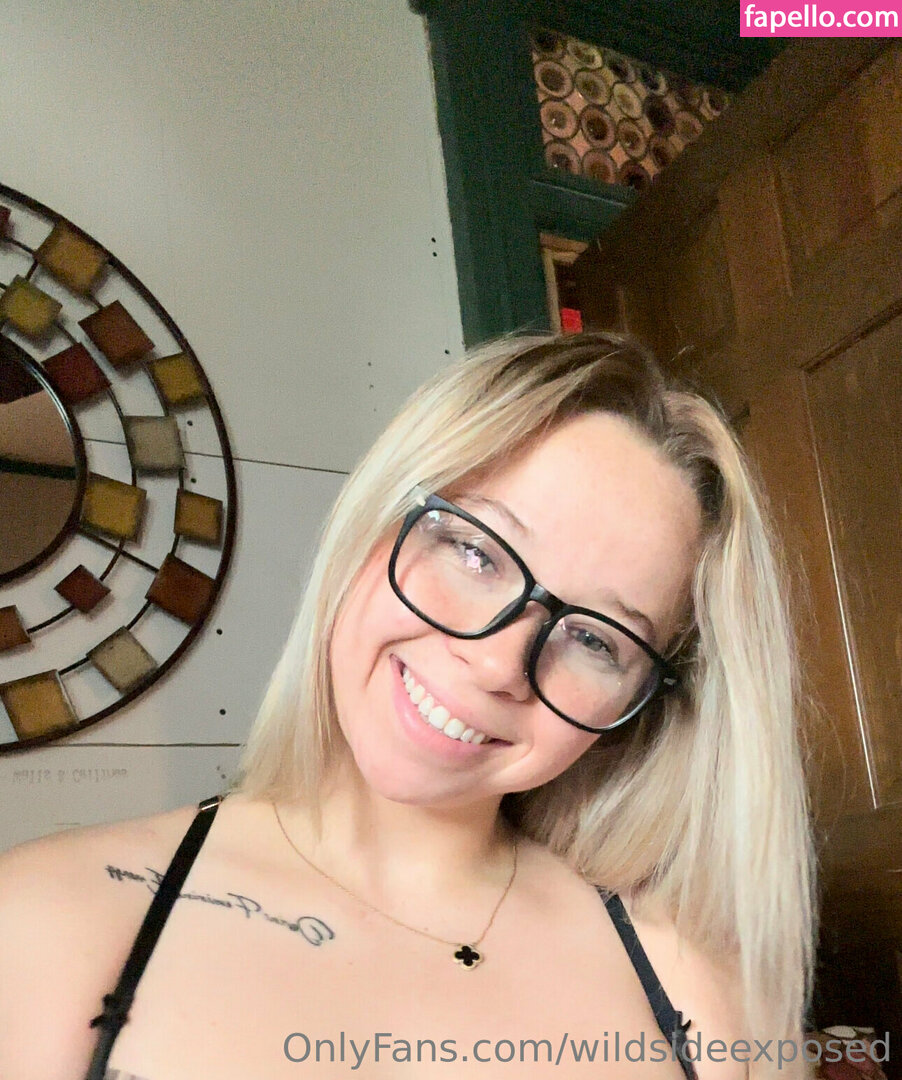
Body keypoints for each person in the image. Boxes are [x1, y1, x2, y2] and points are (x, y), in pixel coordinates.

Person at [0, 332, 815, 1079]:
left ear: (643, 706)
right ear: (374, 525)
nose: (497, 663)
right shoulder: (44, 920)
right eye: (475, 551)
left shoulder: (700, 994)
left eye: (596, 640)